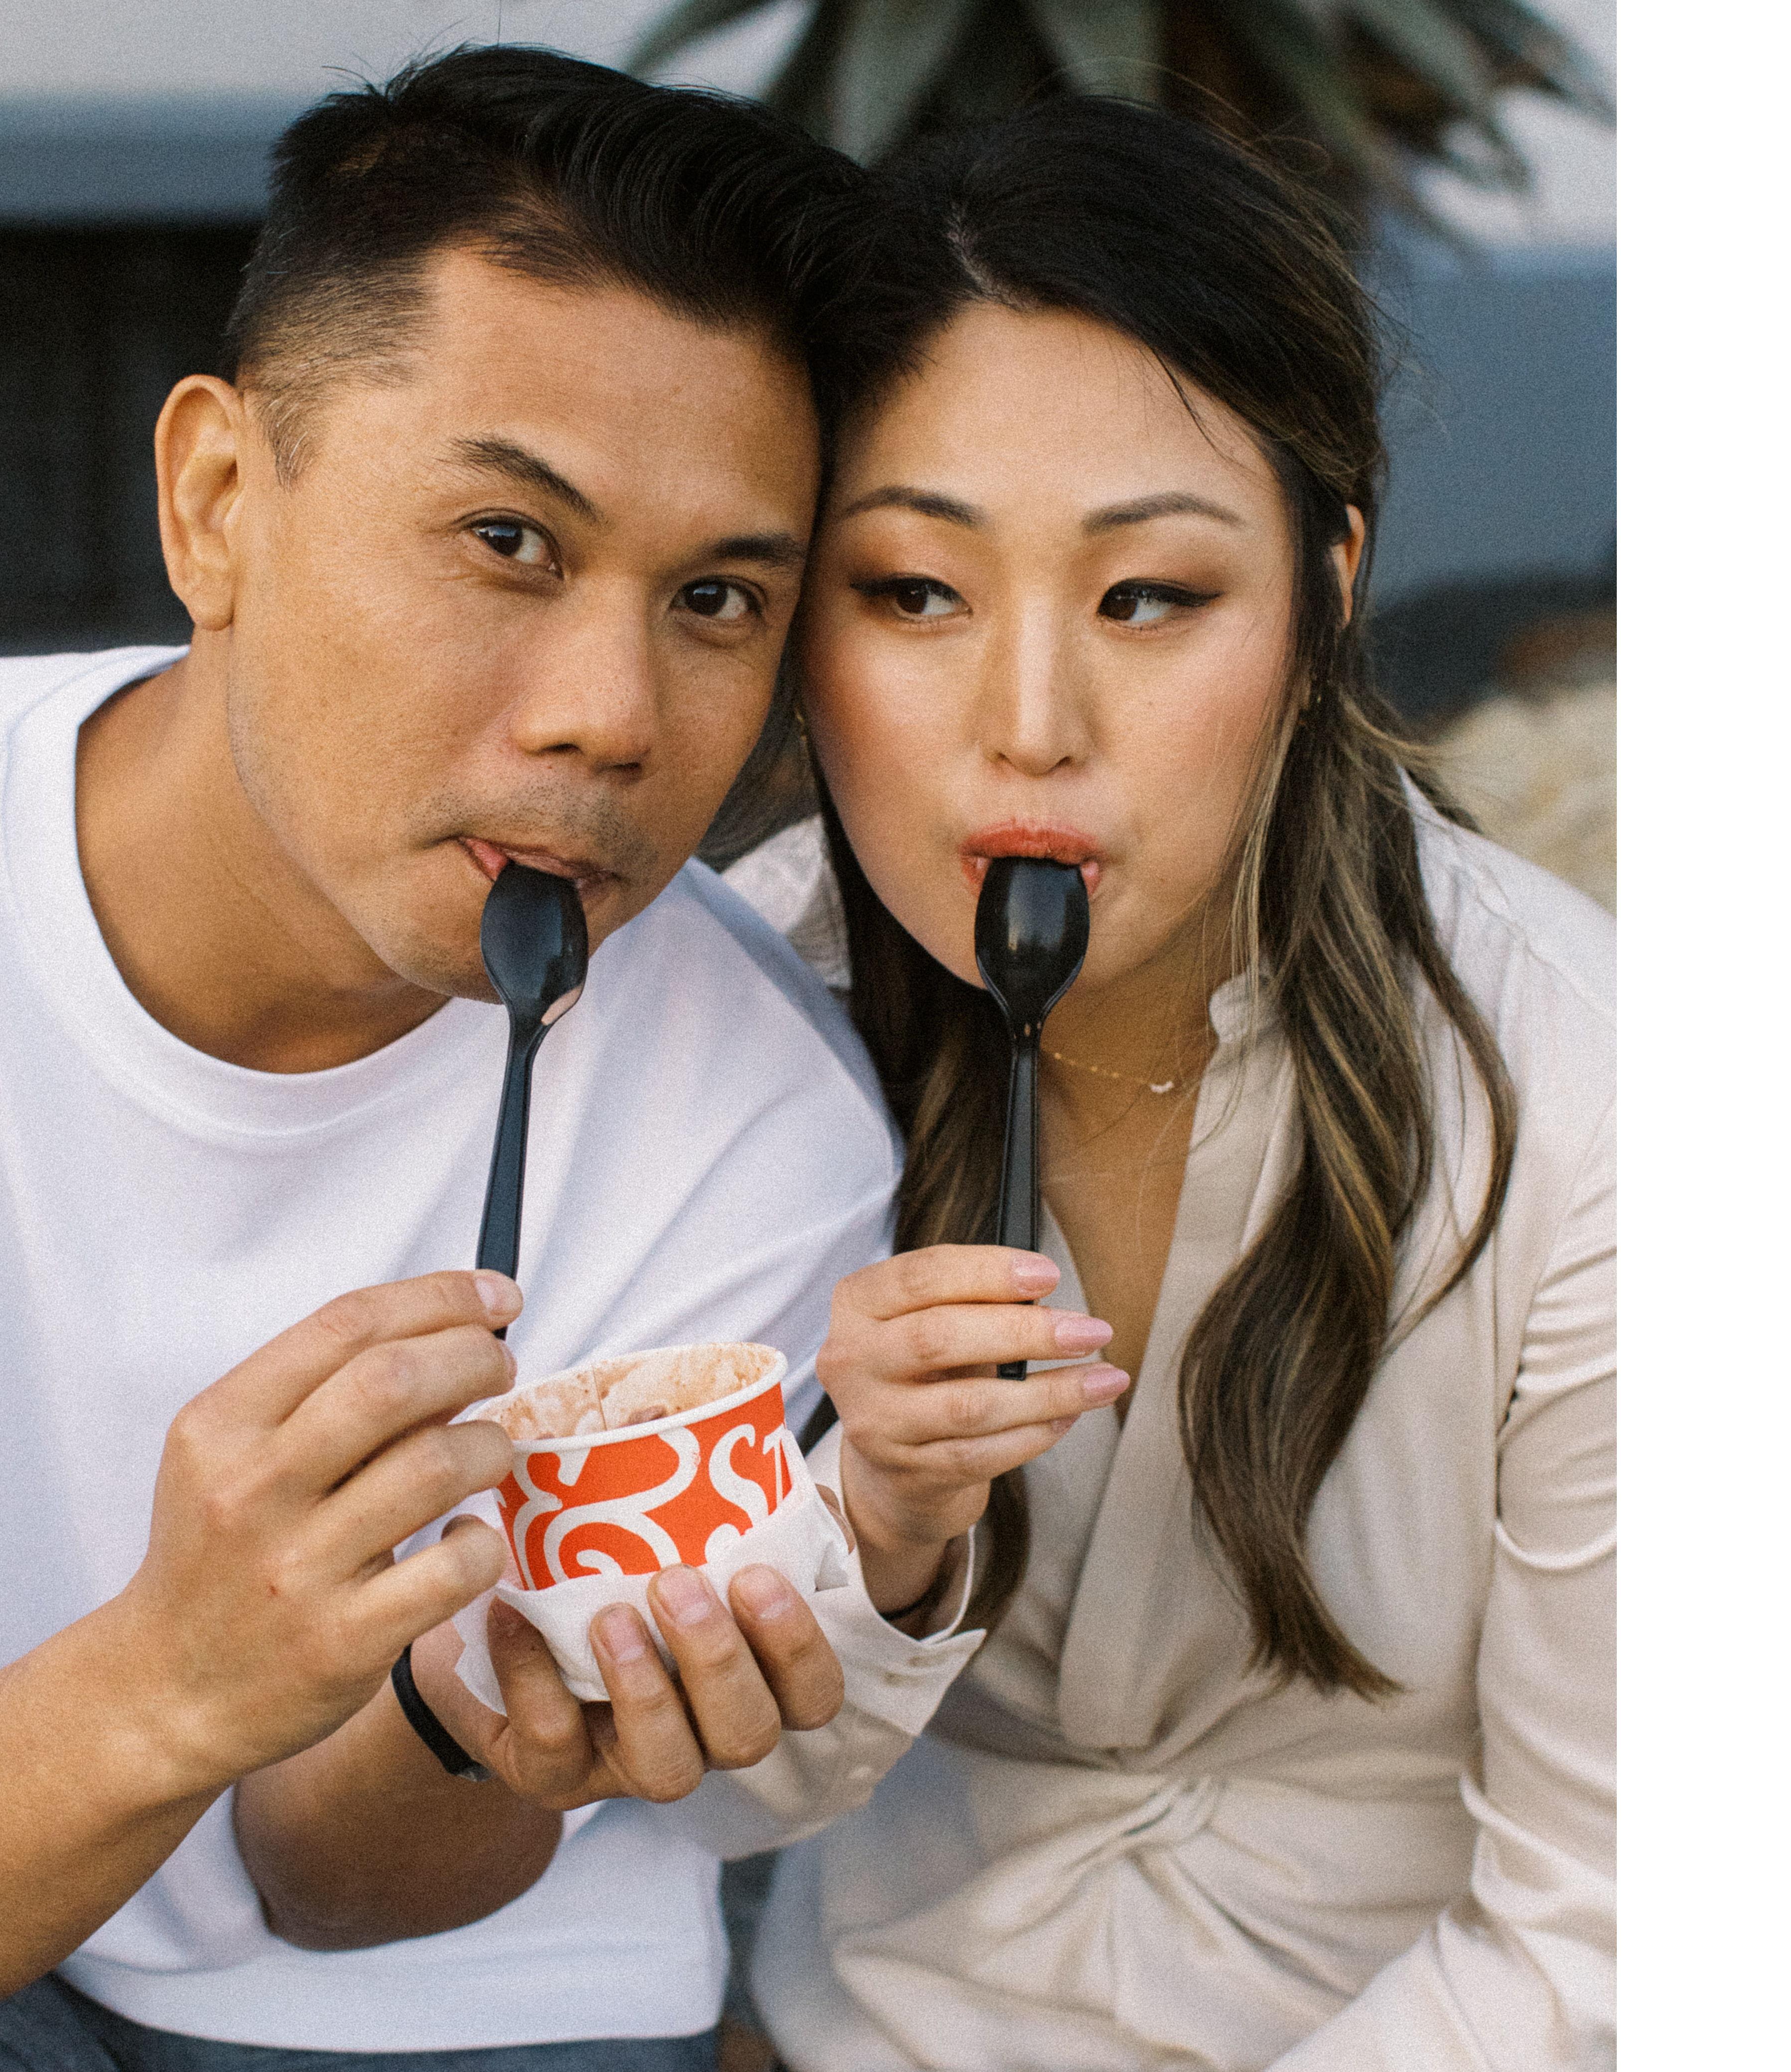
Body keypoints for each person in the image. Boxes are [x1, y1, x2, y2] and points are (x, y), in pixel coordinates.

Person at [0, 48, 984, 2070]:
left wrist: (465, 1726)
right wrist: (172, 1676)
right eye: (508, 542)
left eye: (713, 600)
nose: (609, 717)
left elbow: (349, 1889)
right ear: (218, 501)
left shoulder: (753, 1136)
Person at [713, 97, 1616, 2069]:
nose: (1027, 731)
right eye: (914, 595)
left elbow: (1621, 1930)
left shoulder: (1594, 1097)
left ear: (1330, 586)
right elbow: (652, 1790)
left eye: (1150, 599)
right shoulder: (716, 1023)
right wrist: (860, 1536)